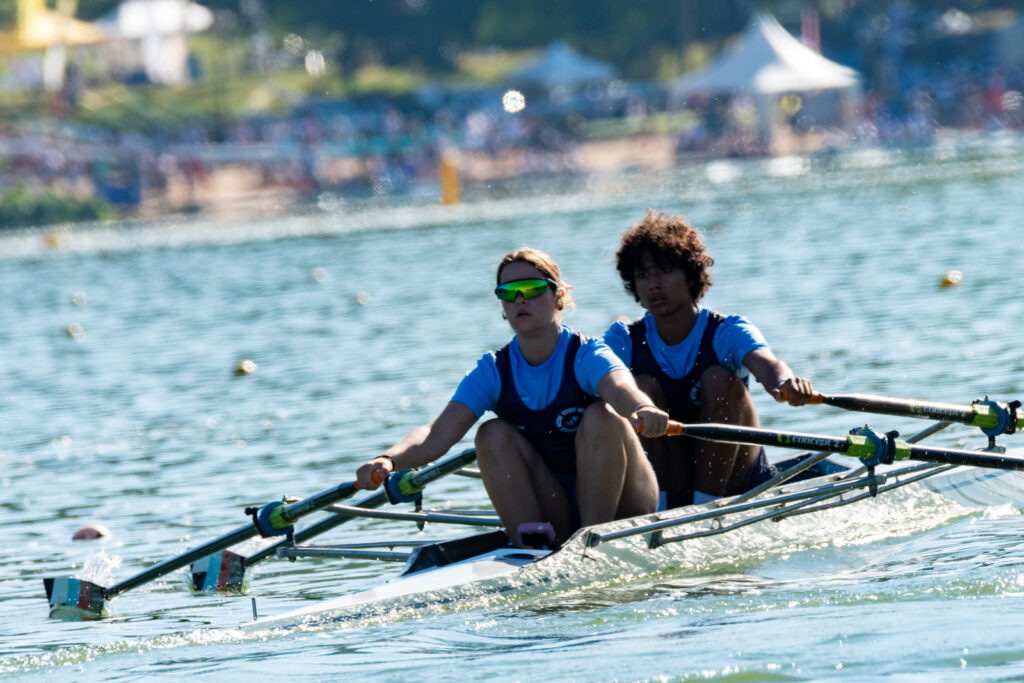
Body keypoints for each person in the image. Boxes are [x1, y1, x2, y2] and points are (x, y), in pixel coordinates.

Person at [356, 247, 668, 548]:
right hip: (554, 504)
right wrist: (389, 459)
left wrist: (641, 407)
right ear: (502, 306)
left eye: (532, 289)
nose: (520, 299)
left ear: (559, 296)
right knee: (491, 433)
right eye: (507, 293)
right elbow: (436, 434)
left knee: (603, 416)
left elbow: (620, 387)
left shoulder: (587, 354)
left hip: (626, 505)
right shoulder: (493, 370)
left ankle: (592, 541)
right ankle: (531, 545)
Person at [604, 211, 816, 508]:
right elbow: (585, 384)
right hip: (668, 477)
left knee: (719, 379)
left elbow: (769, 365)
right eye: (643, 275)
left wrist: (786, 383)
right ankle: (659, 509)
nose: (653, 284)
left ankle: (708, 506)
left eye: (665, 270)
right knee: (641, 388)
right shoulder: (624, 338)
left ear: (690, 274)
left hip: (736, 478)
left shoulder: (727, 330)